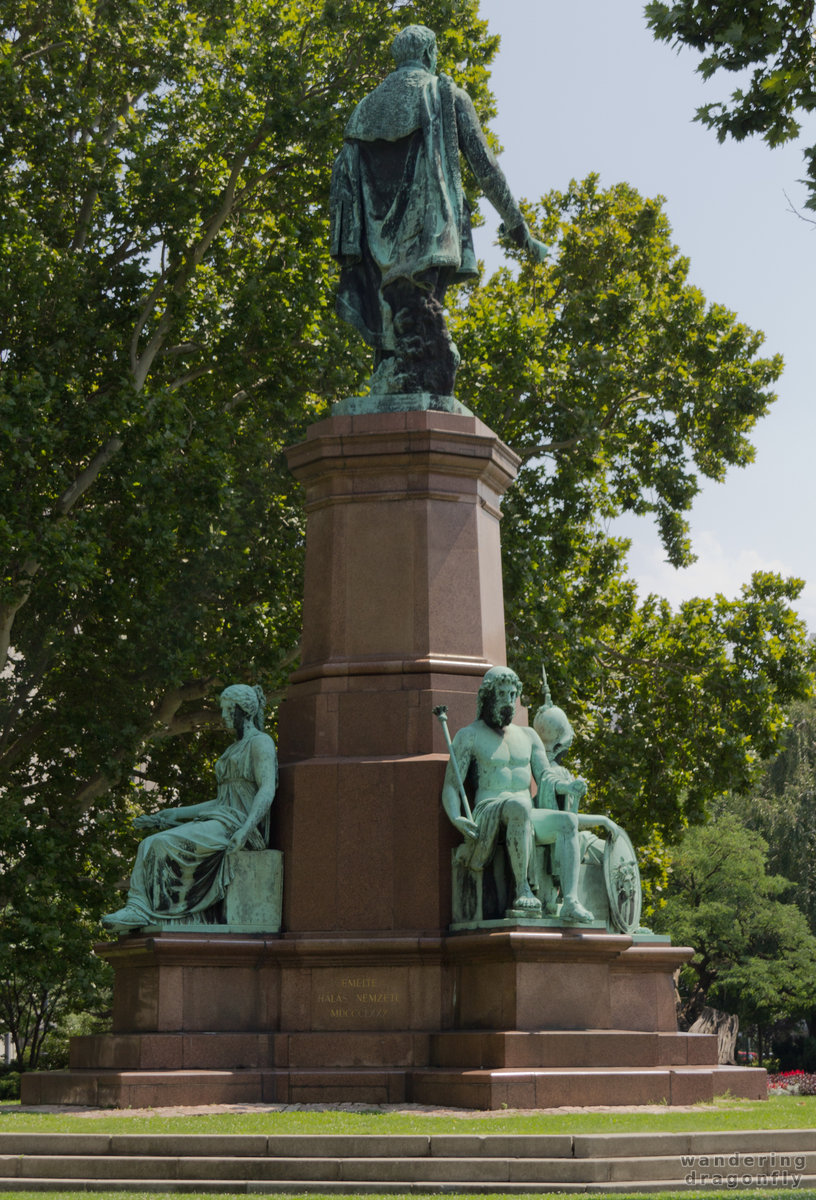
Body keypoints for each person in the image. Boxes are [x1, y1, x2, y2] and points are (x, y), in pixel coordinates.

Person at [330, 24, 548, 397]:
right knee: (419, 322)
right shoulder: (445, 94)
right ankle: (411, 392)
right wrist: (519, 227)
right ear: (430, 55)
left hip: (371, 241)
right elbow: (486, 167)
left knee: (392, 331)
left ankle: (389, 390)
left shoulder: (364, 110)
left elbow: (348, 184)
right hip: (426, 234)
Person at [441, 666, 620, 922]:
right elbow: (451, 786)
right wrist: (456, 818)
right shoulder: (468, 736)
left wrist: (567, 787)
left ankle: (569, 900)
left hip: (525, 811)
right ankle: (522, 889)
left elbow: (546, 777)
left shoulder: (529, 736)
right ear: (487, 696)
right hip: (489, 809)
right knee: (519, 806)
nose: (508, 701)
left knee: (568, 821)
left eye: (512, 694)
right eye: (502, 694)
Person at [101, 684, 278, 933]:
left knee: (159, 844)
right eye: (223, 710)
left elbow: (267, 789)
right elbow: (222, 800)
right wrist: (173, 814)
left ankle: (146, 911)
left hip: (238, 826)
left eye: (229, 711)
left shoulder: (261, 743)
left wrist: (247, 829)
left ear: (244, 712)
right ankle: (138, 908)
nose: (224, 716)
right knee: (148, 843)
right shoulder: (231, 750)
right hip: (222, 819)